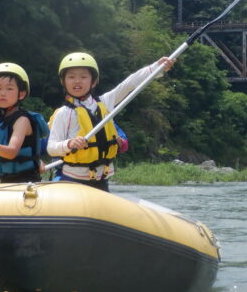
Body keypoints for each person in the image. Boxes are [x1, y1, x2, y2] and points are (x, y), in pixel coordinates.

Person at [46, 52, 174, 191]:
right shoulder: (63, 113)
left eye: (83, 77)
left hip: (101, 179)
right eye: (71, 77)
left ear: (93, 81)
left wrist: (156, 67)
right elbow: (51, 148)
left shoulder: (105, 102)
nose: (77, 81)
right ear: (63, 81)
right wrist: (69, 143)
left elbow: (129, 84)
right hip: (73, 180)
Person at [0, 63, 50, 185]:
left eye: (9, 89)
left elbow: (11, 152)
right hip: (4, 182)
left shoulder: (22, 120)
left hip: (26, 184)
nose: (2, 93)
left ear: (21, 93)